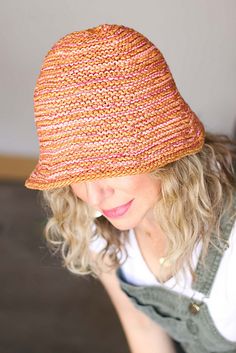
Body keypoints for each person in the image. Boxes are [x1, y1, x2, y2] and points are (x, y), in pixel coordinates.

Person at [25, 23, 236, 353]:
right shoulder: (98, 223)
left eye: (111, 167)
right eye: (77, 174)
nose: (95, 196)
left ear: (165, 149)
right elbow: (141, 326)